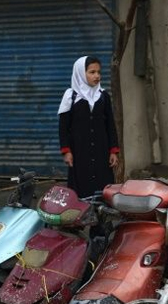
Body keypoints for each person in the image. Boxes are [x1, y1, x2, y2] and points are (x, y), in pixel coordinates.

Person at [58, 56, 120, 199]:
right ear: (80, 73)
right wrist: (66, 151)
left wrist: (113, 151)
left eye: (99, 72)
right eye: (92, 72)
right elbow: (63, 127)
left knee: (103, 187)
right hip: (79, 151)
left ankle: (102, 219)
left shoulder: (103, 96)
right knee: (81, 188)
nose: (97, 76)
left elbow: (110, 124)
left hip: (101, 151)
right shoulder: (71, 96)